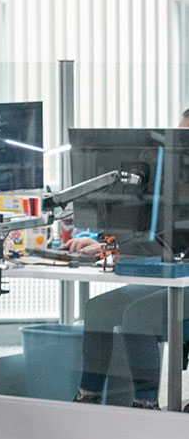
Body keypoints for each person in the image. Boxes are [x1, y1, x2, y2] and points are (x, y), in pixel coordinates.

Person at [71, 108, 189, 410]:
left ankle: (145, 407)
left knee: (137, 315)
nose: (180, 149)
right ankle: (88, 399)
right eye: (178, 139)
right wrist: (105, 242)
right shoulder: (171, 179)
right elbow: (153, 230)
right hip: (179, 274)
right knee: (96, 308)